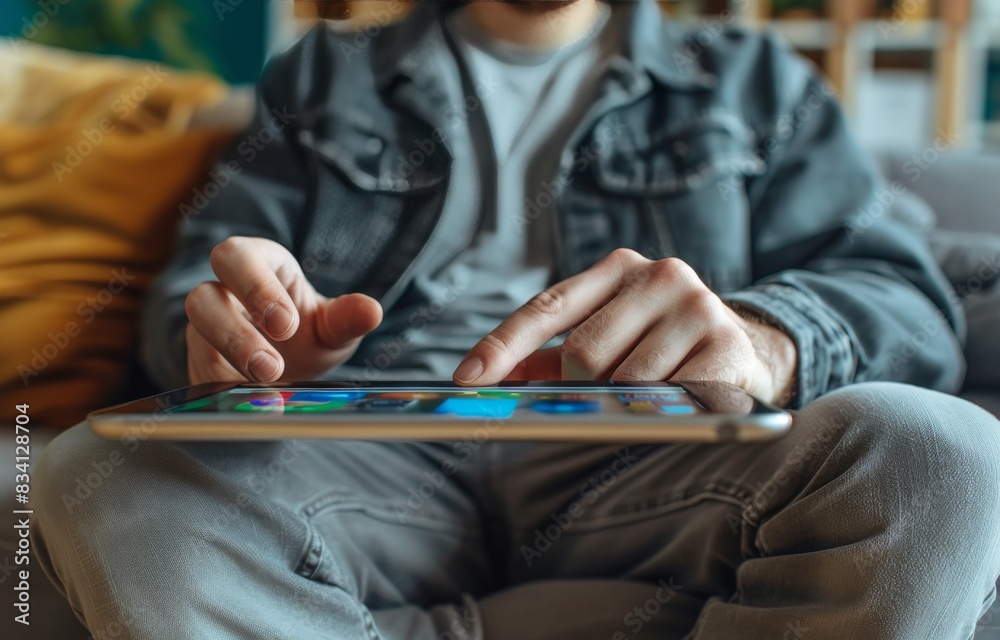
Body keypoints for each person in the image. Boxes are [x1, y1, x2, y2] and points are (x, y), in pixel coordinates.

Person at [32, 1, 1000, 638]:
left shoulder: (754, 82)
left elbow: (902, 288)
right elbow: (186, 303)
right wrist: (241, 341)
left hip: (657, 451)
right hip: (365, 444)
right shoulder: (322, 76)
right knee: (92, 477)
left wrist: (766, 335)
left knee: (946, 457)